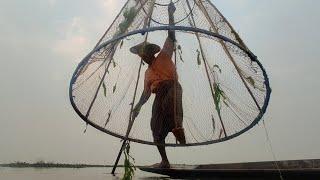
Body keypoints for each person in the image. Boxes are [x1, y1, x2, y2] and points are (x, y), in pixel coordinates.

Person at [130, 2, 185, 168]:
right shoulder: (147, 74)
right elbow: (146, 93)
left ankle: (177, 127)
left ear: (151, 53)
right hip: (159, 95)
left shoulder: (164, 56)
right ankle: (165, 161)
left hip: (172, 88)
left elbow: (171, 36)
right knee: (155, 127)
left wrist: (170, 14)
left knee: (170, 103)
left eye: (145, 53)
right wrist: (138, 106)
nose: (143, 57)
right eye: (141, 55)